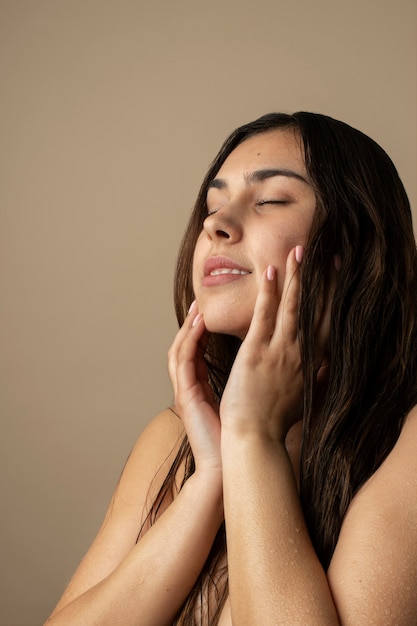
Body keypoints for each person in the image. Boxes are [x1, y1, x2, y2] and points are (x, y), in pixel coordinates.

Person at [45, 112, 417, 625]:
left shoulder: (409, 442)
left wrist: (253, 438)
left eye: (270, 200)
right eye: (213, 205)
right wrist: (211, 481)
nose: (213, 224)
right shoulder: (174, 440)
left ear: (352, 246)